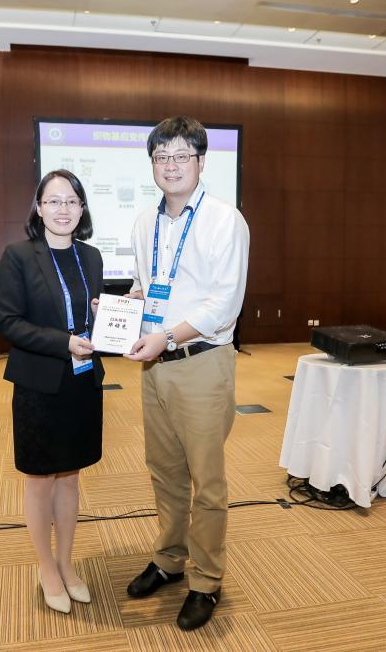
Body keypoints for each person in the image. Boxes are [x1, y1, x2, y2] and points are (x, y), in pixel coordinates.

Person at [124, 116, 249, 631]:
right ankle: (170, 559)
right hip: (154, 366)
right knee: (165, 472)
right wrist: (122, 309)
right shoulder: (144, 222)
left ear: (200, 161)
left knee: (207, 481)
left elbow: (224, 304)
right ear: (152, 164)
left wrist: (168, 336)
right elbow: (148, 285)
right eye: (161, 157)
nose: (170, 166)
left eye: (181, 156)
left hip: (201, 363)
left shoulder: (224, 220)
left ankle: (207, 580)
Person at [0, 169, 104, 614]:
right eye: (54, 201)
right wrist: (64, 342)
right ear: (39, 208)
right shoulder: (18, 256)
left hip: (82, 383)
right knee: (40, 479)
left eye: (72, 201)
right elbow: (9, 322)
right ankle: (45, 567)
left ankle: (66, 563)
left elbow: (90, 317)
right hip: (39, 384)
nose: (63, 209)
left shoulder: (92, 257)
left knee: (71, 476)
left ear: (82, 209)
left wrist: (101, 315)